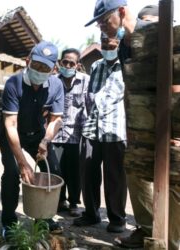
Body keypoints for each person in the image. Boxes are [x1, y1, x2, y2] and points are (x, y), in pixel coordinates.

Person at [85, 1, 180, 249]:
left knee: (172, 180)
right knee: (136, 173)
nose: (102, 26)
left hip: (169, 120)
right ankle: (146, 229)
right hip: (141, 123)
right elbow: (131, 87)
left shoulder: (154, 34)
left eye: (106, 20)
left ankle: (172, 241)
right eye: (99, 22)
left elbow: (175, 76)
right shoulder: (125, 46)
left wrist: (174, 125)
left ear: (123, 12)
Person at [0, 41, 64, 238]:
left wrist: (46, 140)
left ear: (53, 69)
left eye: (46, 68)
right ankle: (9, 222)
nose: (40, 71)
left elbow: (56, 119)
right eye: (36, 65)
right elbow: (10, 125)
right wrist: (22, 162)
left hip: (37, 135)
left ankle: (43, 217)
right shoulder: (13, 83)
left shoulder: (56, 84)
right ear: (28, 61)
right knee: (12, 173)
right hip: (11, 134)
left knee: (52, 168)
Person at [73, 33, 127, 233]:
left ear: (119, 43)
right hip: (92, 127)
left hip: (115, 128)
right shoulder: (96, 66)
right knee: (88, 171)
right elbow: (91, 96)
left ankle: (117, 219)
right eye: (104, 41)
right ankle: (91, 213)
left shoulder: (126, 66)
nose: (106, 45)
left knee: (115, 176)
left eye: (110, 42)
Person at [52, 48, 90, 217]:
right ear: (60, 63)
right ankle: (60, 200)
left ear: (77, 65)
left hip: (76, 136)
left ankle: (74, 201)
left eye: (71, 63)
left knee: (74, 171)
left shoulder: (85, 81)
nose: (67, 65)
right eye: (64, 62)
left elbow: (89, 106)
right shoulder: (53, 81)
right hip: (54, 134)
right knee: (56, 169)